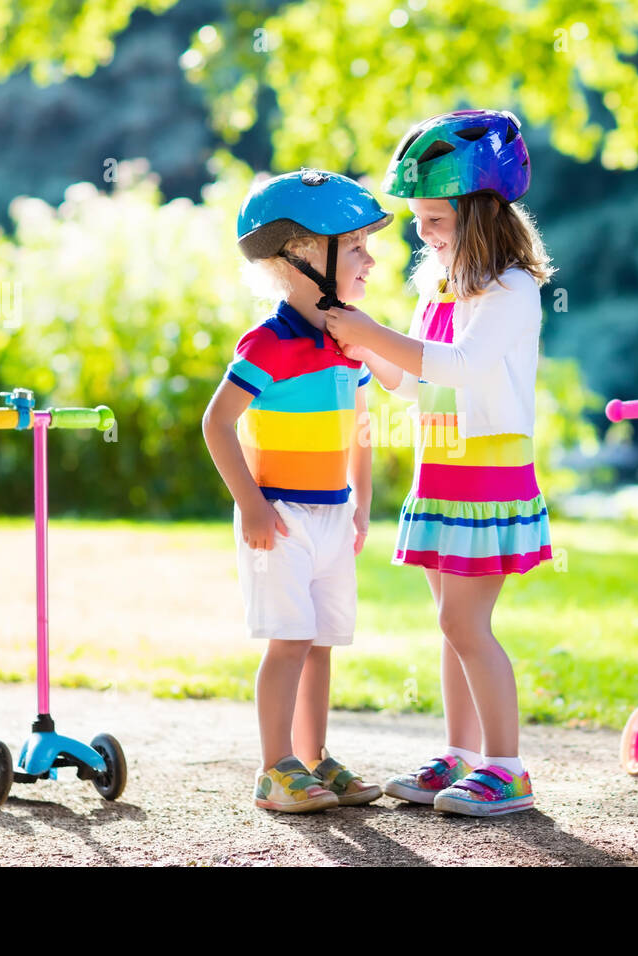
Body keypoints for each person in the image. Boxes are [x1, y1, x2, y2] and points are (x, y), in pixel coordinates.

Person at [324, 109, 556, 816]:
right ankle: (461, 756)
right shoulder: (439, 287)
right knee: (449, 626)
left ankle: (507, 768)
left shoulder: (512, 288)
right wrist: (364, 351)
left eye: (436, 219)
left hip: (489, 471)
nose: (423, 234)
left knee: (466, 626)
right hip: (444, 466)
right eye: (420, 219)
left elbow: (462, 366)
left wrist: (373, 332)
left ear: (481, 210)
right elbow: (421, 383)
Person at [202, 168, 389, 812]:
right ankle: (273, 768)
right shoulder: (270, 342)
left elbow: (362, 429)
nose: (371, 258)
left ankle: (312, 759)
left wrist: (362, 503)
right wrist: (251, 503)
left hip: (334, 516)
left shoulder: (350, 337)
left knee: (320, 643)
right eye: (358, 245)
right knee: (288, 641)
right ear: (307, 255)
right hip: (277, 517)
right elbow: (216, 423)